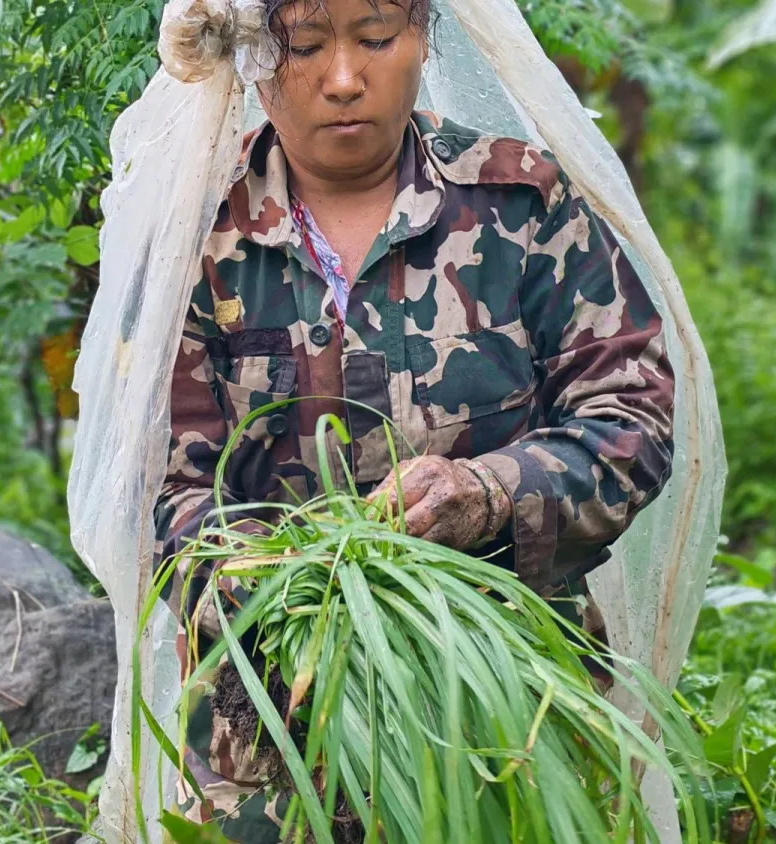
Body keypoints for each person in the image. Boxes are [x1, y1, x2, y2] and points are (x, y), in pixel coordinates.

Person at [152, 0, 675, 837]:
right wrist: (269, 579)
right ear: (252, 57)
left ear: (425, 35)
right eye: (306, 46)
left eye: (376, 38)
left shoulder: (521, 204)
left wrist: (487, 490)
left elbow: (630, 417)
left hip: (508, 713)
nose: (345, 79)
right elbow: (161, 488)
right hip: (270, 740)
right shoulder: (199, 241)